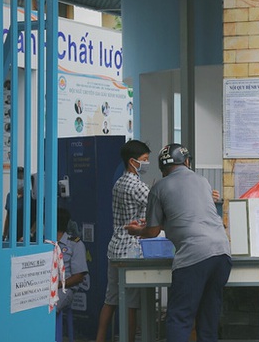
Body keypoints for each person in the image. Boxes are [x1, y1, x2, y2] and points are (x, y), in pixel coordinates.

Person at [125, 143, 231, 342]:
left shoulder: (159, 187)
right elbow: (188, 217)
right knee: (208, 319)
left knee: (179, 318)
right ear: (187, 162)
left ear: (163, 168)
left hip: (194, 257)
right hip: (222, 253)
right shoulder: (203, 181)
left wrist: (136, 230)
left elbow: (152, 231)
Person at [95, 140, 151, 342]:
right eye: (144, 160)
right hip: (132, 250)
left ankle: (100, 338)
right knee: (131, 304)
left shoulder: (118, 182)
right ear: (132, 161)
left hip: (115, 248)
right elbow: (158, 204)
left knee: (110, 299)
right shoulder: (137, 186)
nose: (147, 163)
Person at [56, 207, 89, 312]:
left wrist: (58, 285)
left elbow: (79, 276)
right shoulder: (45, 243)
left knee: (48, 307)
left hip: (64, 288)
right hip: (44, 287)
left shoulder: (75, 244)